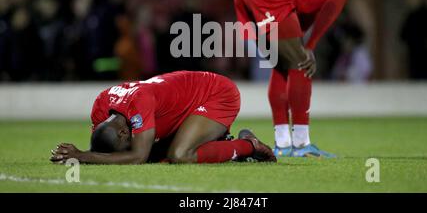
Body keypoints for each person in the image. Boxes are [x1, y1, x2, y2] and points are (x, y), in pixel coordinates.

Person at [233, 0, 390, 157]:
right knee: (301, 63)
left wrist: (303, 44)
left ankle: (284, 143)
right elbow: (334, 4)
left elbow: (314, 4)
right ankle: (301, 144)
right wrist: (310, 45)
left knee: (282, 63)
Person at [50, 70, 276, 164]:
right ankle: (218, 141)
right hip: (187, 101)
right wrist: (88, 154)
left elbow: (137, 156)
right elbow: (104, 148)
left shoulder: (139, 103)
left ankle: (249, 146)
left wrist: (82, 156)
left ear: (122, 132)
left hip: (216, 94)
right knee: (157, 155)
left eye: (124, 143)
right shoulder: (101, 104)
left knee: (180, 155)